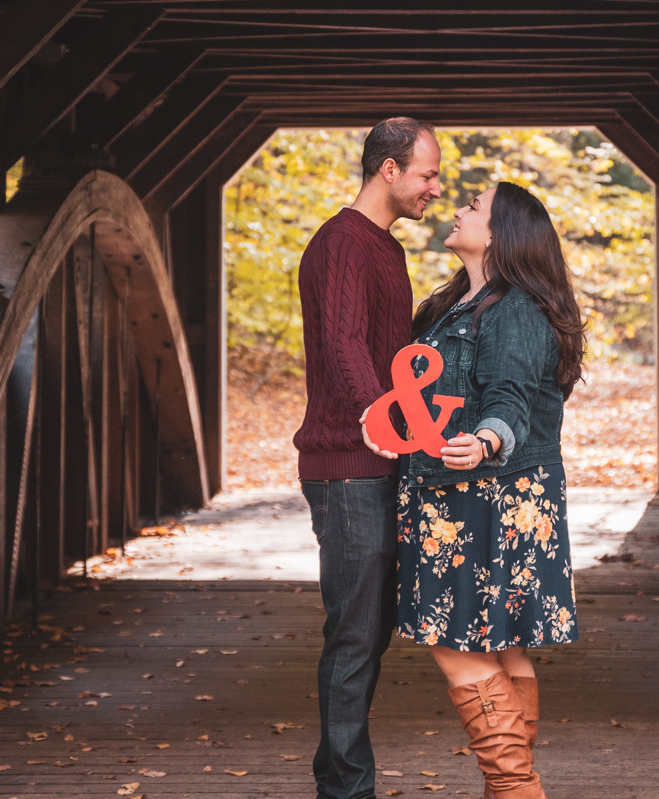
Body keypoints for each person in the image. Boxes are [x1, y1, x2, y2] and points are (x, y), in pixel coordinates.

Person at [365, 182, 585, 799]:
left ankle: (518, 790)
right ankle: (510, 792)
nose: (458, 209)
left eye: (474, 206)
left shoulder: (512, 307)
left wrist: (485, 440)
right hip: (489, 496)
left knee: (455, 644)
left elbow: (509, 400)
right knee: (504, 647)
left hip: (487, 496)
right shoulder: (458, 304)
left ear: (502, 233)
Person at [293, 117, 442, 799]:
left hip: (382, 460)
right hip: (346, 463)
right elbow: (344, 344)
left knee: (371, 629)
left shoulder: (388, 250)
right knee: (354, 634)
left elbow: (392, 348)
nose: (434, 188)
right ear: (389, 169)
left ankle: (338, 773)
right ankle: (346, 787)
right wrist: (383, 418)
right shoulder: (341, 243)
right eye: (427, 174)